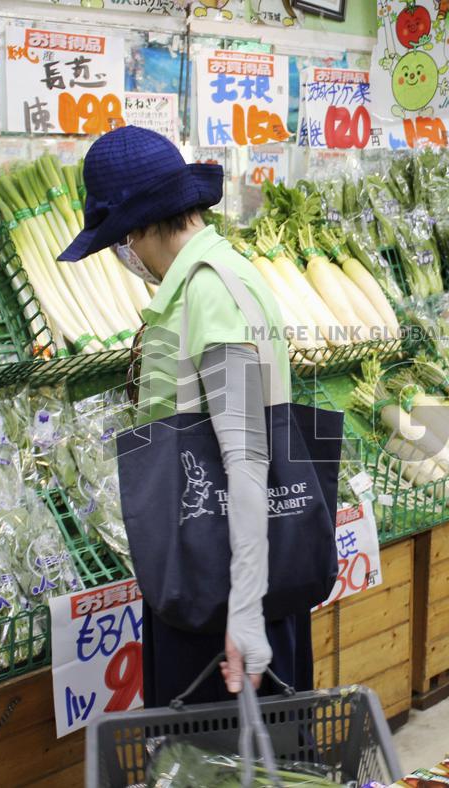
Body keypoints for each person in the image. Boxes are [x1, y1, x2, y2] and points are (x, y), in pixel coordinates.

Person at [59, 126, 312, 707]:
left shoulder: (210, 294)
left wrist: (244, 614)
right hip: (223, 574)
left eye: (120, 237)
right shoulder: (223, 274)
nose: (123, 252)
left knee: (216, 760)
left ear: (141, 226)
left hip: (221, 597)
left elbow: (247, 458)